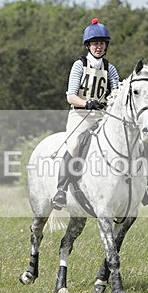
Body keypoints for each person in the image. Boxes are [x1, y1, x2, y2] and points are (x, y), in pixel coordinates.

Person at [51, 18, 120, 209]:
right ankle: (61, 190)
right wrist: (87, 103)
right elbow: (71, 97)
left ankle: (144, 187)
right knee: (73, 145)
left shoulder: (110, 69)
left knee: (127, 141)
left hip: (102, 116)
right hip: (80, 115)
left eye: (102, 43)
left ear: (106, 46)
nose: (99, 47)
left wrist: (110, 106)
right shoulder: (79, 66)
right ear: (88, 45)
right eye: (95, 43)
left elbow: (115, 94)